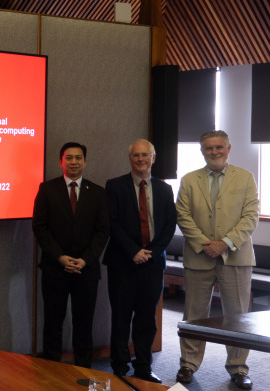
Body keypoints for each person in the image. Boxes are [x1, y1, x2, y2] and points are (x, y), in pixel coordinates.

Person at [175, 130, 259, 390]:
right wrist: (205, 244)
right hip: (199, 256)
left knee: (237, 316)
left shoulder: (245, 178)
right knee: (194, 315)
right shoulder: (189, 180)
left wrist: (225, 243)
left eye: (219, 147)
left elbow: (251, 216)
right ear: (202, 151)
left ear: (228, 148)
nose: (214, 152)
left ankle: (238, 368)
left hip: (235, 257)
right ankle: (188, 364)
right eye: (209, 148)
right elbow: (183, 214)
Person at [103, 139, 176, 383]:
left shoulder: (165, 189)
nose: (141, 159)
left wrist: (152, 252)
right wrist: (133, 251)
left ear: (153, 158)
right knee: (121, 317)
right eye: (136, 155)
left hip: (153, 264)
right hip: (123, 262)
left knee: (147, 319)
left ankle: (143, 366)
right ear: (130, 158)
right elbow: (112, 223)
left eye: (145, 155)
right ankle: (120, 365)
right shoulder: (114, 186)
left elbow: (169, 226)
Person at [32, 142, 109, 368]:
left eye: (78, 158)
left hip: (87, 270)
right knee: (53, 322)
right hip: (55, 268)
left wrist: (85, 259)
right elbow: (40, 227)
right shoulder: (47, 189)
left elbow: (103, 231)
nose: (73, 162)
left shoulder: (97, 193)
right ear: (60, 162)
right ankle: (51, 369)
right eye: (68, 158)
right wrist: (60, 257)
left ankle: (83, 368)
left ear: (85, 162)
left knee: (83, 323)